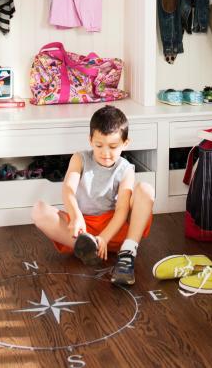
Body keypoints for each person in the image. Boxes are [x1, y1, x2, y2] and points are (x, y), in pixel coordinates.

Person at [31, 105, 154, 286]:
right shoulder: (79, 158)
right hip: (82, 230)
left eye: (113, 146)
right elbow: (68, 189)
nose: (105, 153)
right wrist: (76, 215)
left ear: (125, 143)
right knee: (39, 211)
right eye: (99, 145)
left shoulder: (125, 169)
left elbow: (121, 210)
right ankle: (88, 248)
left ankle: (128, 253)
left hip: (114, 231)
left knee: (145, 189)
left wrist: (104, 237)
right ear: (90, 140)